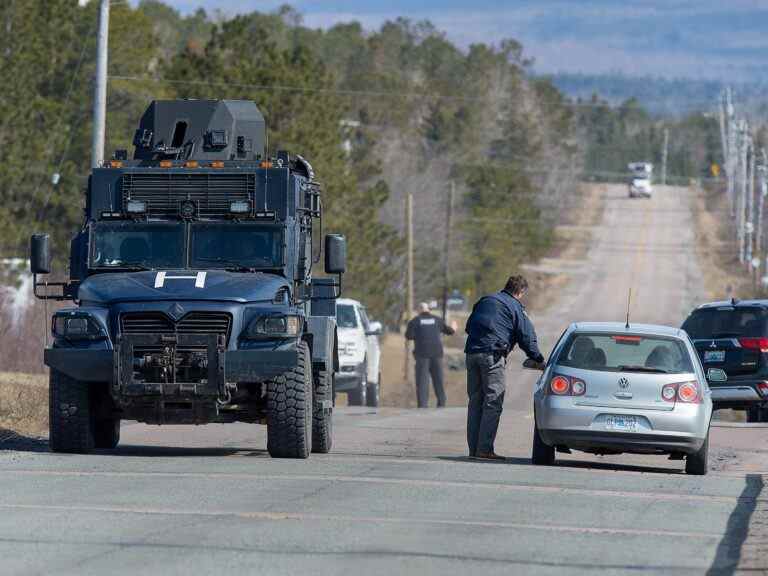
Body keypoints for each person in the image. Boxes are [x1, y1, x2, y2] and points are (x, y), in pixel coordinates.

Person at [464, 275, 544, 460]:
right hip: (492, 356)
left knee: (475, 403)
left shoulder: (485, 301)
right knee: (492, 403)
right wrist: (537, 358)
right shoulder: (515, 307)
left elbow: (469, 327)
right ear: (520, 292)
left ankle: (474, 449)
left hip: (472, 354)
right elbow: (526, 336)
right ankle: (484, 450)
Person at [405, 302, 458, 408]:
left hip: (422, 355)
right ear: (428, 309)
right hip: (437, 354)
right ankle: (441, 404)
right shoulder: (437, 320)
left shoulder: (415, 321)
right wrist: (454, 327)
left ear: (419, 310)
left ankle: (423, 406)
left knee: (422, 382)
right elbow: (450, 331)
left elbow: (409, 336)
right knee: (438, 380)